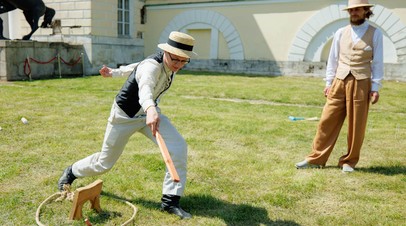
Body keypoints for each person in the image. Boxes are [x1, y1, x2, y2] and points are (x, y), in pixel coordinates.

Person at [58, 31, 197, 219]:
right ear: (166, 52)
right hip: (125, 116)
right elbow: (145, 86)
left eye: (183, 61)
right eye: (176, 60)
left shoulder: (165, 64)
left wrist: (115, 72)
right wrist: (150, 108)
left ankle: (170, 201)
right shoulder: (151, 66)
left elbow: (135, 67)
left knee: (178, 147)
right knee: (104, 163)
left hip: (149, 115)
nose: (178, 66)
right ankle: (71, 172)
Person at [295, 0, 383, 173]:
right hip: (339, 81)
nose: (354, 13)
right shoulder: (341, 32)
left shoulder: (375, 33)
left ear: (366, 11)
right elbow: (333, 59)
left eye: (357, 9)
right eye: (351, 10)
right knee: (326, 121)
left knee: (356, 124)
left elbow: (378, 62)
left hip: (361, 82)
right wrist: (328, 83)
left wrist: (375, 88)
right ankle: (316, 158)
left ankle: (349, 161)